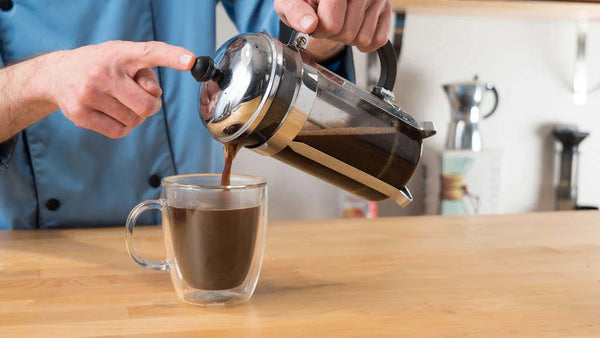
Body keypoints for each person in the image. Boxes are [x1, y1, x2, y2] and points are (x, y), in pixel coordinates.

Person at [0, 0, 393, 229]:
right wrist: (42, 79)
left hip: (187, 233)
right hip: (27, 255)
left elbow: (291, 42)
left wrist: (324, 24)